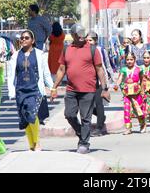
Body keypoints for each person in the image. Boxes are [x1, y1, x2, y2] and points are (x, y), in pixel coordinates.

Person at [50, 24, 107, 154]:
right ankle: (82, 133)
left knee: (85, 118)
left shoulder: (93, 49)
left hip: (88, 90)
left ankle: (84, 143)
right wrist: (54, 88)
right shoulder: (67, 49)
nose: (81, 37)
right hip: (71, 89)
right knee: (69, 114)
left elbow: (99, 69)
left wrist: (104, 88)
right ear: (73, 36)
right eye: (78, 35)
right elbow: (61, 69)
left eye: (83, 34)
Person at [7, 30, 53, 151]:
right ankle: (31, 144)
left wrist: (52, 87)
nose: (23, 40)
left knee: (32, 114)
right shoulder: (15, 55)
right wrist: (11, 91)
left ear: (32, 40)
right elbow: (11, 75)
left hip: (35, 90)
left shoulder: (40, 54)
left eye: (26, 38)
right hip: (21, 90)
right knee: (25, 117)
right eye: (22, 38)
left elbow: (46, 73)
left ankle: (37, 142)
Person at [86, 31, 113, 137]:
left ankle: (99, 127)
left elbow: (107, 64)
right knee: (86, 104)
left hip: (99, 81)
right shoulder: (84, 50)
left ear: (95, 41)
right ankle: (101, 117)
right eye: (87, 40)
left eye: (90, 40)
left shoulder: (100, 50)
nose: (88, 42)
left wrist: (108, 83)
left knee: (99, 104)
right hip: (88, 82)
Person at [116, 52, 146, 135]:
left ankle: (142, 125)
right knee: (126, 110)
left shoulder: (139, 69)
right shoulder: (123, 69)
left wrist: (143, 91)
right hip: (127, 93)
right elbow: (120, 78)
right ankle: (128, 128)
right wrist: (116, 85)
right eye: (127, 59)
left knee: (138, 110)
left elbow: (142, 80)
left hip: (136, 93)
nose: (129, 61)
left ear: (134, 60)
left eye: (131, 59)